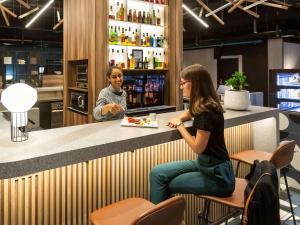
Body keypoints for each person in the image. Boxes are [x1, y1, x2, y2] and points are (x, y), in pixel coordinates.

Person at [150, 64, 235, 204]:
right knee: (157, 173)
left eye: (183, 83)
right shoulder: (203, 103)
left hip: (218, 177)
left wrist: (179, 126)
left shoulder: (206, 112)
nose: (180, 87)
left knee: (164, 182)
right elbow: (189, 113)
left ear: (194, 84)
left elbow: (198, 148)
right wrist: (180, 118)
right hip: (205, 164)